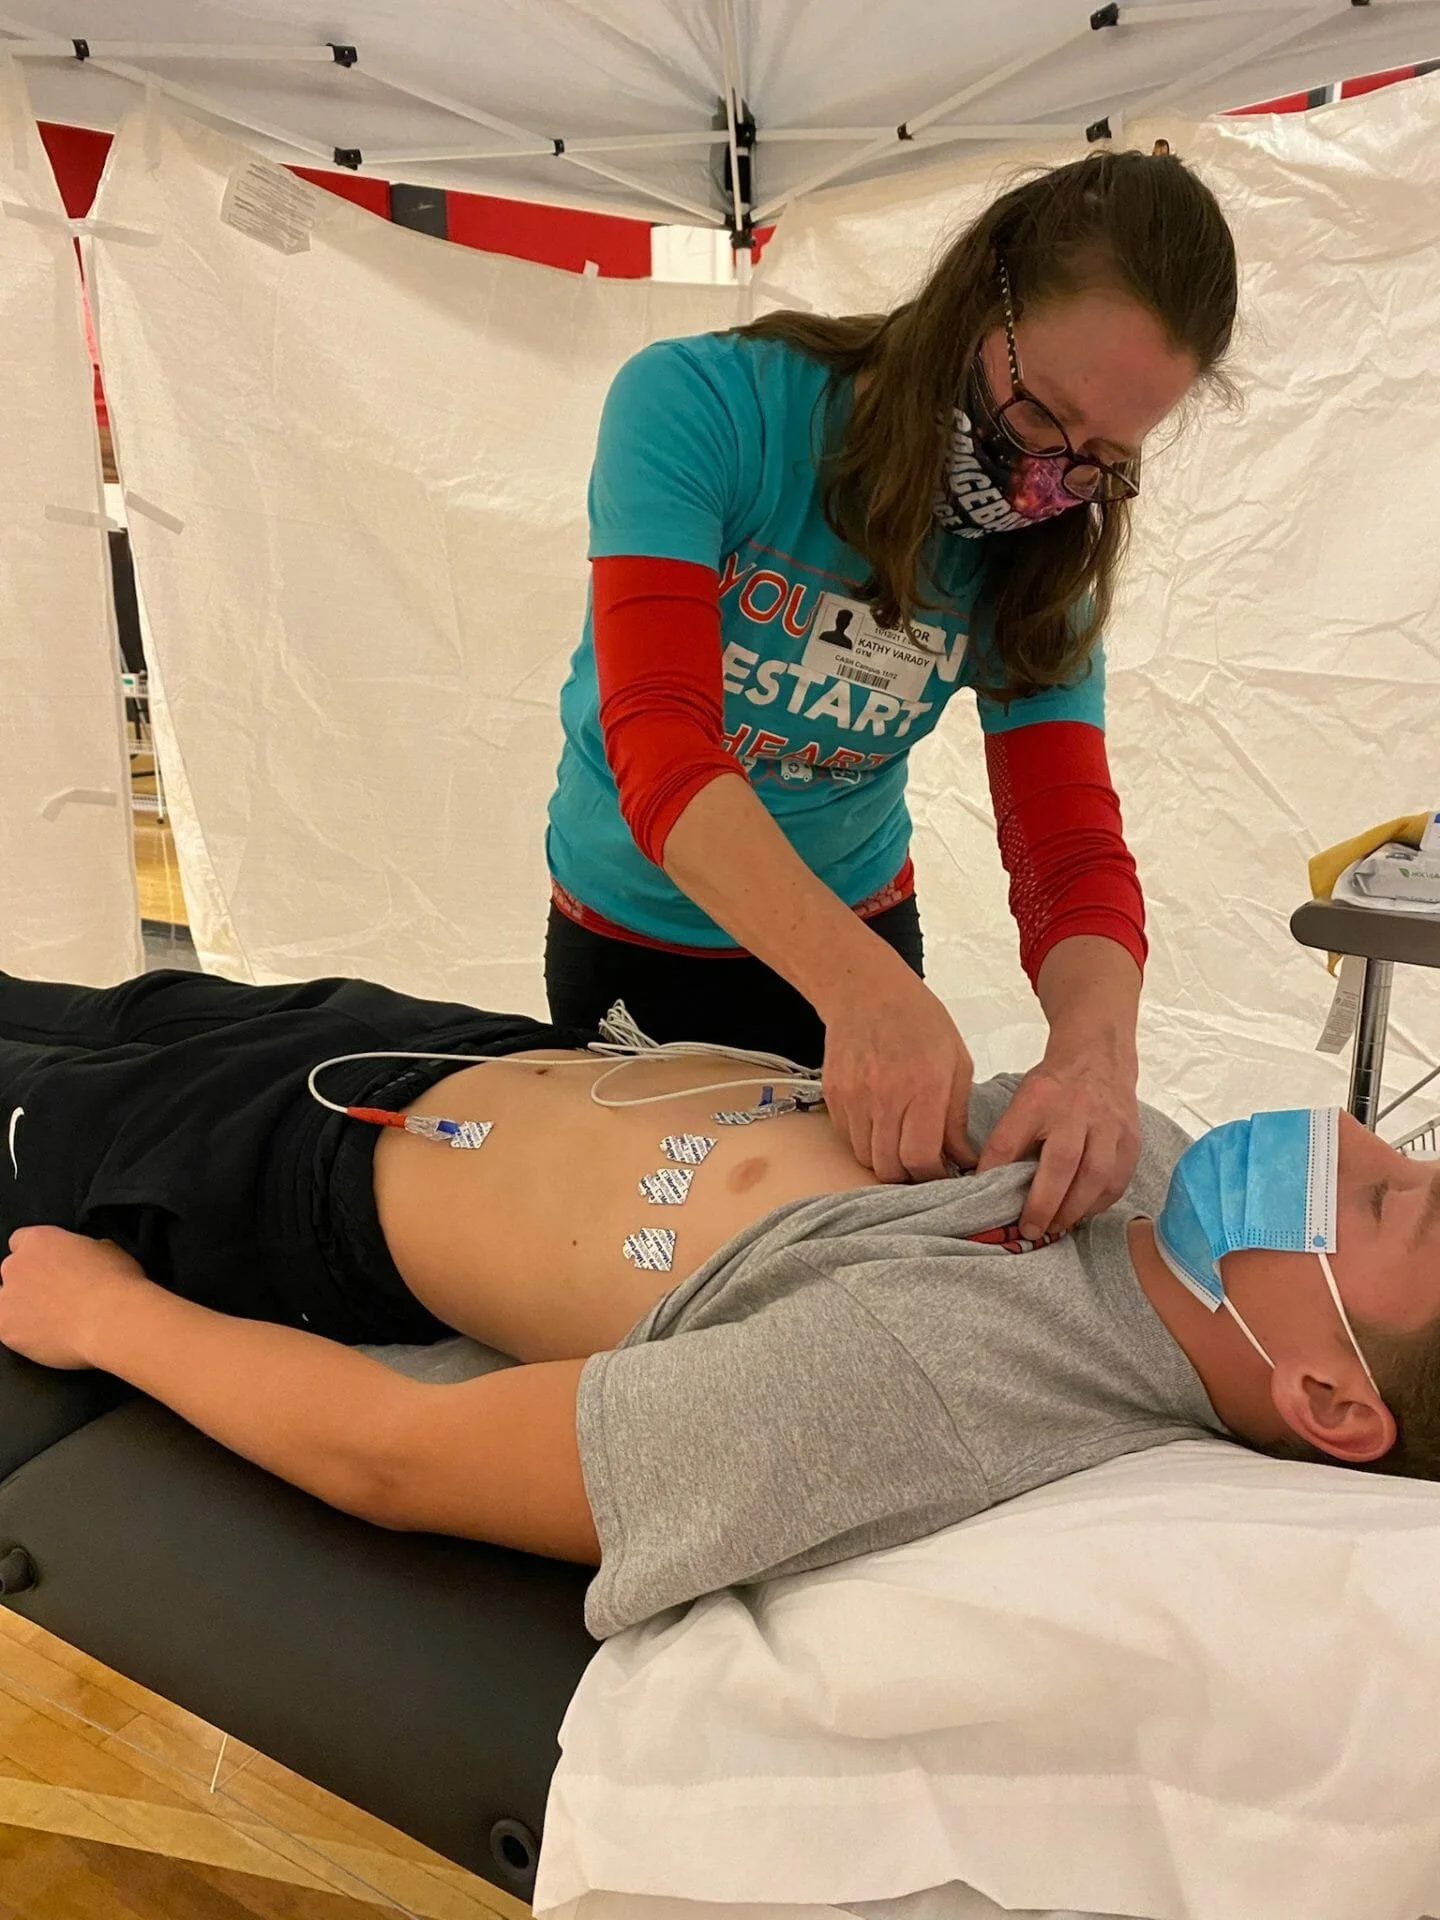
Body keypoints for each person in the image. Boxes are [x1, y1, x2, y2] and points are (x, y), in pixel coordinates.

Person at [3, 967, 1438, 1641]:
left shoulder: (943, 1389)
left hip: (272, 1175)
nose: (1346, 1146)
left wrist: (104, 1319)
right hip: (420, 1042)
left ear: (1328, 1397)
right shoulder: (1144, 1172)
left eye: (1376, 1207)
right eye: (1396, 1160)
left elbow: (401, 1457)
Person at [543, 148, 1239, 1234]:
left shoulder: (1049, 554)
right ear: (978, 299)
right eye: (1040, 413)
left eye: (1105, 455)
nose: (1048, 477)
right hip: (637, 933)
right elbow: (662, 745)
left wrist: (1096, 1056)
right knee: (644, 1252)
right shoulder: (702, 405)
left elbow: (1067, 850)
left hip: (861, 919)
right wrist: (864, 994)